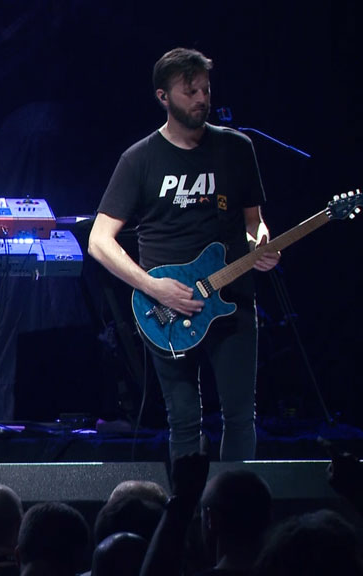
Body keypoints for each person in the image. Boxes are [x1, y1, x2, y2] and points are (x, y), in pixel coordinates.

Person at [87, 48, 280, 461]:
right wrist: (153, 287)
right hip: (167, 308)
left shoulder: (237, 148)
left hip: (232, 298)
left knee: (240, 417)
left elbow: (254, 222)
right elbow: (99, 241)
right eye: (190, 92)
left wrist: (260, 244)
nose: (201, 99)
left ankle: (235, 498)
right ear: (163, 97)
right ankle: (189, 501)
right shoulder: (139, 159)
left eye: (206, 90)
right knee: (185, 420)